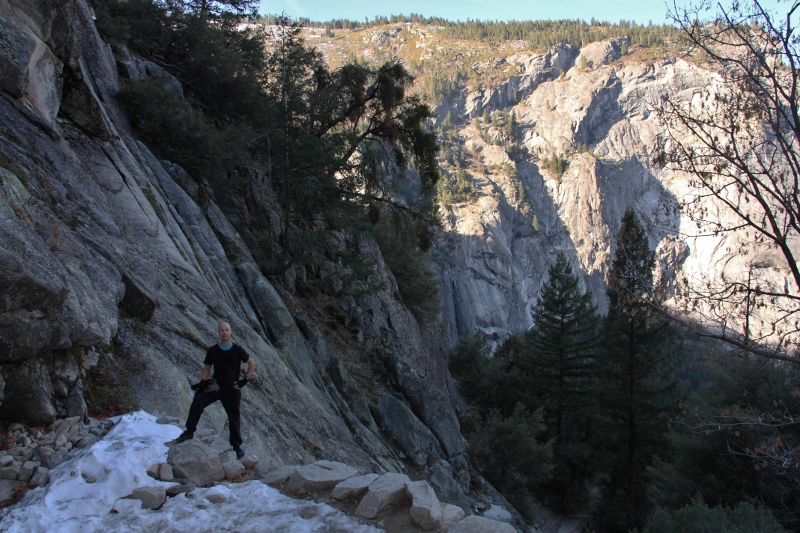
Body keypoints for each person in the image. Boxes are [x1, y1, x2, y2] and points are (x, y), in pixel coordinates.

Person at [174, 322, 255, 459]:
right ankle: (190, 431)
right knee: (198, 401)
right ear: (218, 332)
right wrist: (203, 381)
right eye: (222, 330)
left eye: (227, 330)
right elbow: (207, 367)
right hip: (216, 387)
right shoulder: (213, 350)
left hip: (232, 390)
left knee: (234, 418)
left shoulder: (237, 350)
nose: (225, 333)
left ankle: (236, 446)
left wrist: (244, 380)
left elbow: (251, 364)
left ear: (230, 332)